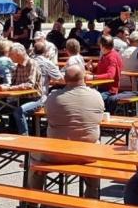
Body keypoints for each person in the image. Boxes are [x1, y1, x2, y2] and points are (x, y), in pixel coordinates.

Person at [28, 65, 104, 197]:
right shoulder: (96, 96)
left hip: (56, 155)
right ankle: (92, 195)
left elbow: (49, 117)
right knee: (95, 147)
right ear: (84, 77)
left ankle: (34, 198)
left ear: (64, 79)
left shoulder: (53, 98)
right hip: (88, 155)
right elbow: (99, 119)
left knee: (32, 154)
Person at [3, 43, 42, 135]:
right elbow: (13, 84)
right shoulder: (18, 66)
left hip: (35, 99)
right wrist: (3, 86)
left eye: (11, 55)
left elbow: (30, 85)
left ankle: (24, 139)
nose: (10, 57)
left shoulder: (32, 64)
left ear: (19, 53)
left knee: (18, 112)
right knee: (1, 109)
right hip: (20, 99)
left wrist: (9, 89)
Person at [86, 35, 123, 113]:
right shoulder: (106, 54)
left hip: (109, 90)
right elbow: (102, 69)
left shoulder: (111, 57)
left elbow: (110, 75)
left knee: (92, 100)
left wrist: (92, 77)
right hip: (103, 88)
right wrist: (92, 67)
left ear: (102, 46)